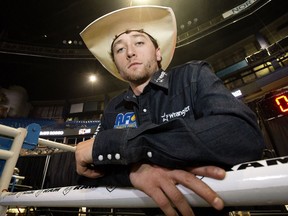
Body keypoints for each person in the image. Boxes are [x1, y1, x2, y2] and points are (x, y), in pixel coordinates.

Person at [75, 5, 265, 216]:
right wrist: (133, 172)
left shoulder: (192, 76)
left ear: (157, 53)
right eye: (120, 49)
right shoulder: (113, 108)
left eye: (139, 42)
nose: (130, 52)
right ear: (117, 67)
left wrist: (134, 145)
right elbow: (86, 172)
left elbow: (242, 134)